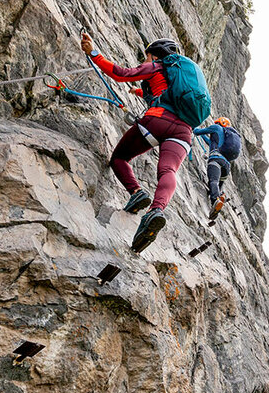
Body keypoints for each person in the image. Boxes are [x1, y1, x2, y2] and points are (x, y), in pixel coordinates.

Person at [80, 33, 195, 251]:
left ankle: (136, 192)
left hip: (158, 120)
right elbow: (163, 93)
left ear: (154, 56)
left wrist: (93, 53)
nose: (146, 60)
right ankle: (156, 210)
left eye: (147, 56)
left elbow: (122, 74)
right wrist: (140, 91)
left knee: (120, 158)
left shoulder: (157, 66)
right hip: (183, 132)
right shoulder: (181, 78)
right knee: (168, 169)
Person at [193, 117, 241, 219]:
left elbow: (197, 132)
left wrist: (193, 127)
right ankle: (215, 206)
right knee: (217, 187)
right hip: (226, 166)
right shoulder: (226, 138)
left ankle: (215, 200)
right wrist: (203, 137)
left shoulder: (216, 127)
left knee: (213, 181)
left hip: (216, 160)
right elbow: (209, 141)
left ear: (219, 123)